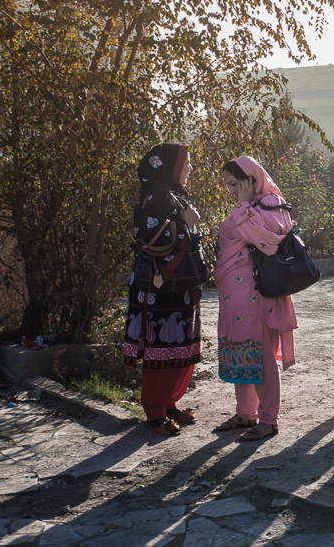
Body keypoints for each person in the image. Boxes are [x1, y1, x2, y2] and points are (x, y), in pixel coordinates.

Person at [213, 157, 298, 441]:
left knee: (259, 355)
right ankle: (246, 412)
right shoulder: (249, 207)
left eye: (235, 184)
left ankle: (269, 418)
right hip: (234, 297)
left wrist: (245, 205)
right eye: (228, 185)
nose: (232, 190)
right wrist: (244, 206)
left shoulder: (272, 205)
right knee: (240, 351)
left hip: (258, 295)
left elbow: (267, 242)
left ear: (252, 179)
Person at [124, 143, 203, 436]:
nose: (190, 169)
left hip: (177, 286)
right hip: (158, 288)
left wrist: (185, 221)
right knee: (162, 348)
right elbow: (152, 241)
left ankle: (169, 404)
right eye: (186, 163)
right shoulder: (155, 197)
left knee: (178, 346)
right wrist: (185, 222)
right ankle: (155, 411)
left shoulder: (170, 194)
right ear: (168, 167)